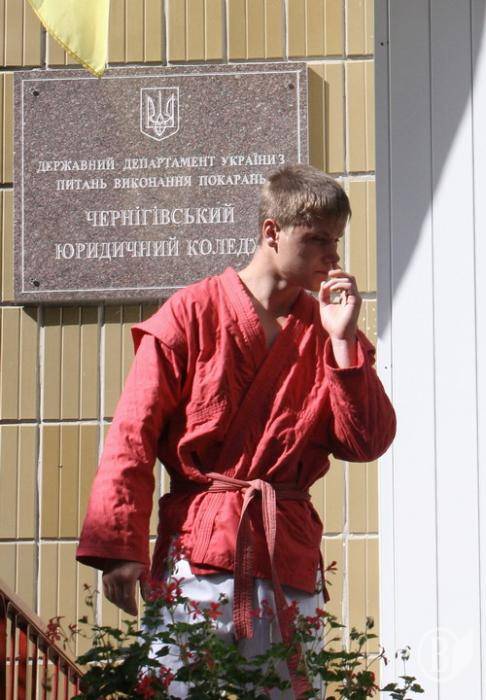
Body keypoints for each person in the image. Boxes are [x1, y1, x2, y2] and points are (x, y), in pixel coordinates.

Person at [76, 164, 396, 697]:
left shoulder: (328, 329)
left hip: (288, 556)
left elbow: (366, 443)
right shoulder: (191, 312)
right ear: (272, 232)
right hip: (198, 553)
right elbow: (133, 432)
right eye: (316, 239)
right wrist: (120, 546)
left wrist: (344, 345)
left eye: (336, 241)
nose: (332, 256)